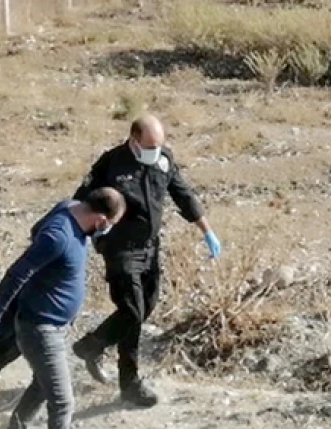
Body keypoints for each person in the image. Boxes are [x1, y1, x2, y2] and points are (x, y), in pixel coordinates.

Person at [0, 188, 126, 429]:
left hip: (55, 326)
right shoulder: (58, 235)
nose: (108, 230)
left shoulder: (70, 208)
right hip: (39, 329)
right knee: (63, 402)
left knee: (43, 386)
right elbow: (18, 272)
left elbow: (34, 231)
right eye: (110, 223)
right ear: (100, 219)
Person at [70, 115, 222, 408]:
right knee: (132, 311)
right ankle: (130, 384)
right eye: (149, 146)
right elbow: (82, 200)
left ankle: (92, 344)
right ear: (133, 140)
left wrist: (207, 231)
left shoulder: (163, 159)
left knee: (145, 307)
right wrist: (78, 240)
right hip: (120, 248)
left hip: (150, 247)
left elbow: (183, 194)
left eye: (159, 145)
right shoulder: (112, 163)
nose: (155, 151)